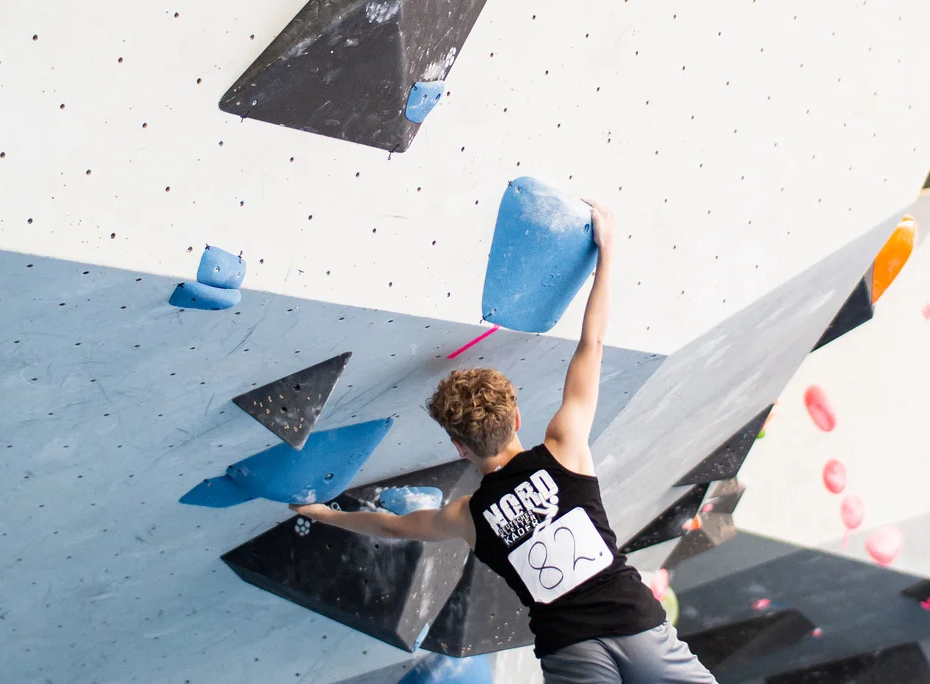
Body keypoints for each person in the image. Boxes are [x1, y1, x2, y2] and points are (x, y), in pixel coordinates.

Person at [292, 199, 716, 684]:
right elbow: (591, 346)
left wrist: (326, 513)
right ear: (516, 416)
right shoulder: (566, 448)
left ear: (458, 447)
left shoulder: (467, 516)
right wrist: (608, 254)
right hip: (637, 625)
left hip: (568, 649)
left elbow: (393, 529)